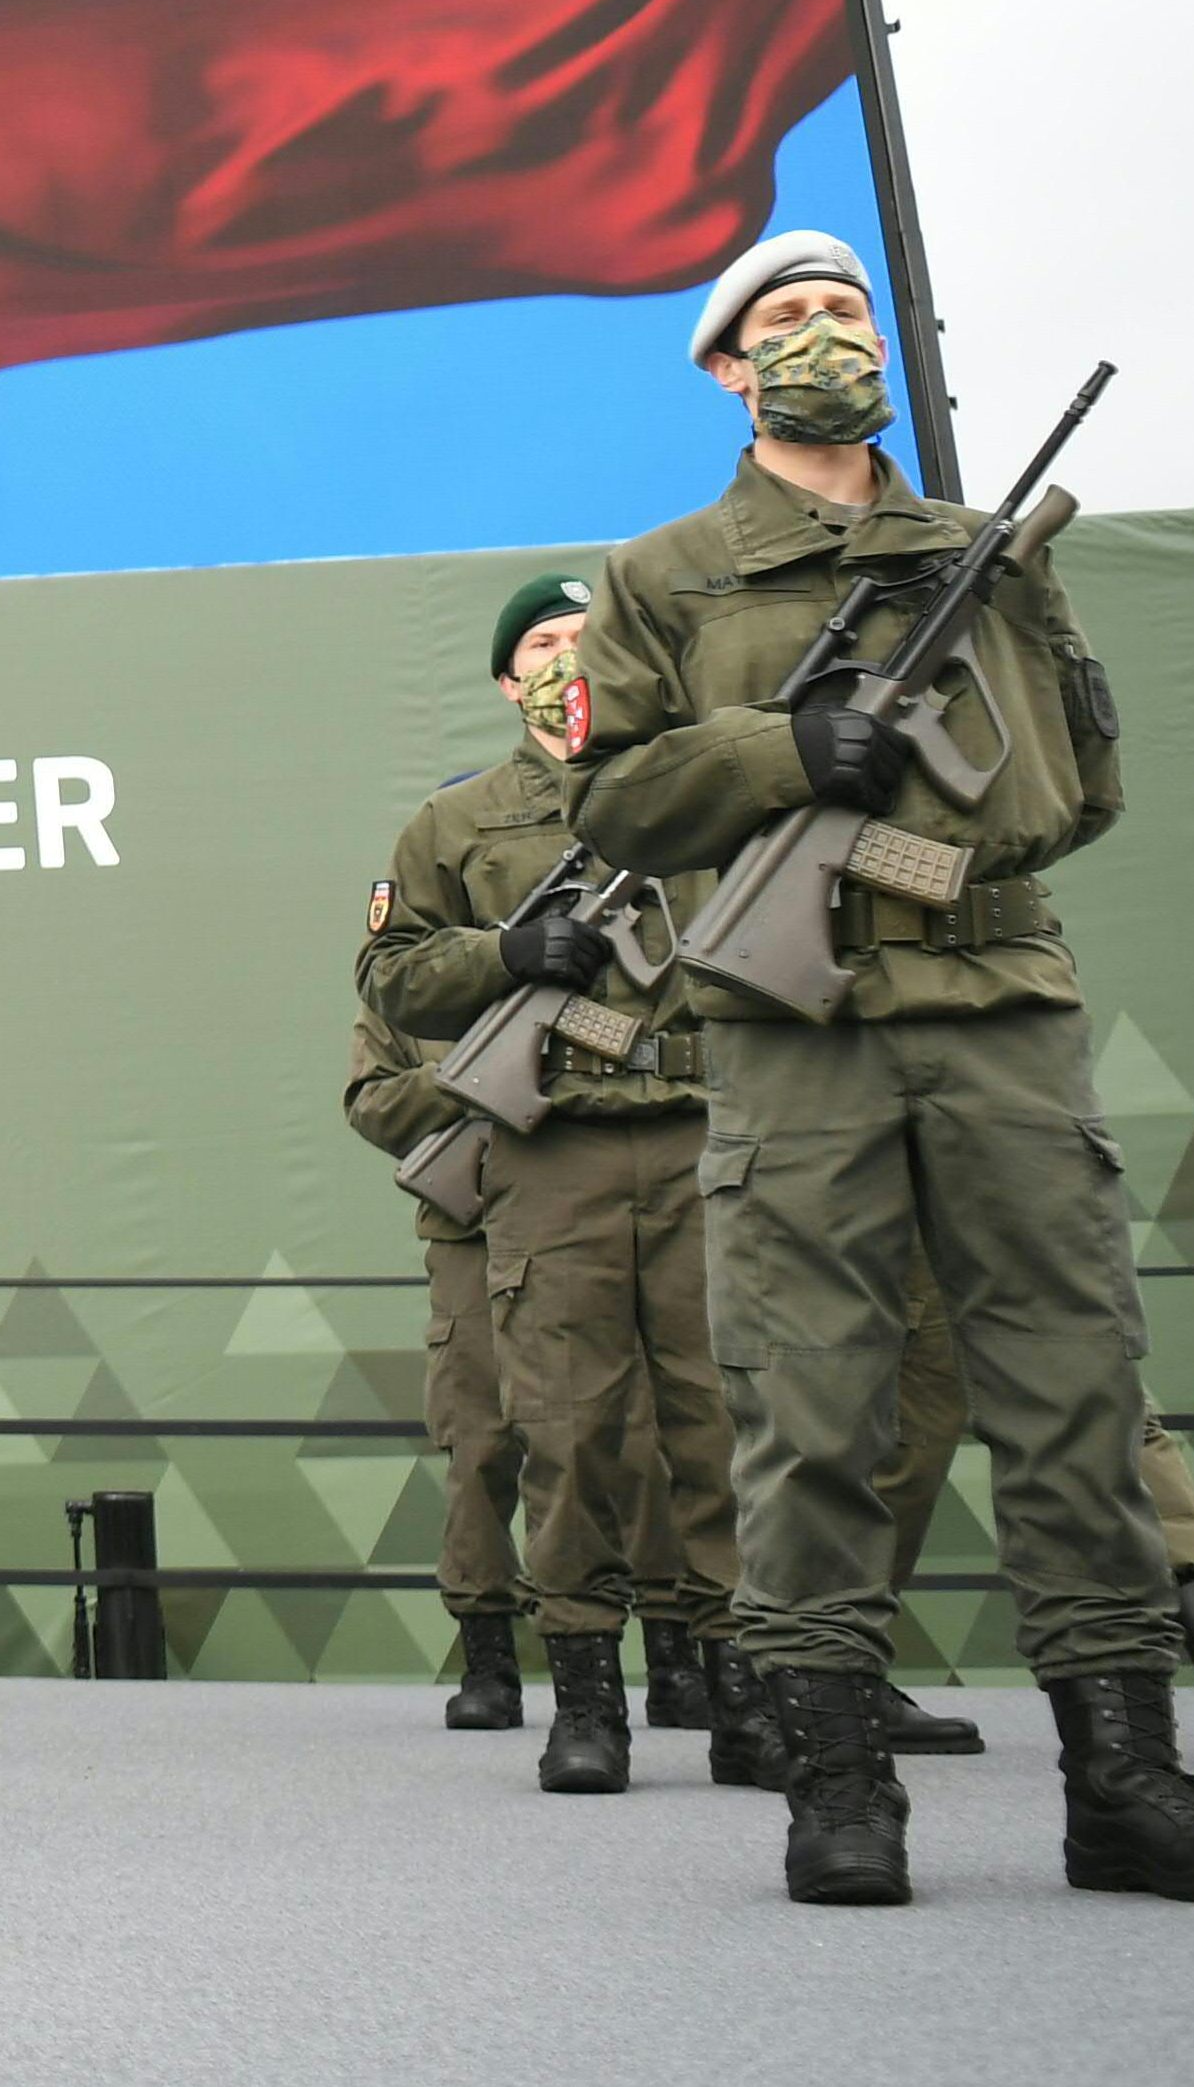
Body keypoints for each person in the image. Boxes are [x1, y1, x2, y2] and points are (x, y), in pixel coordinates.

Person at [570, 232, 1194, 1906]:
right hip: (791, 1029)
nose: (824, 333)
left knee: (1072, 1389)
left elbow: (1079, 782)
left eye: (844, 310)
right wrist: (782, 748)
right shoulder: (664, 573)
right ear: (723, 370)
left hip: (995, 1002)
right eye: (785, 319)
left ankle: (1125, 1779)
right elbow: (605, 798)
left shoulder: (976, 550)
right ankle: (836, 1783)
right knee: (807, 1400)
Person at [362, 571, 774, 1797]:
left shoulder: (704, 785)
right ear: (504, 680)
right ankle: (584, 1696)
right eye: (539, 643)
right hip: (553, 1149)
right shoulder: (459, 824)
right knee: (568, 1430)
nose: (565, 656)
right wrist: (506, 954)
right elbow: (390, 980)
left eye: (586, 636)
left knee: (718, 1424)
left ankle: (741, 1684)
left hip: (709, 1134)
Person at [871, 1254, 1194, 1763]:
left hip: (1019, 1221)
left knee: (1113, 1415)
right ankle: (821, 1675)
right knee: (894, 1453)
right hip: (901, 1227)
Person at [345, 1008, 533, 1729]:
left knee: (630, 1437)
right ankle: (488, 1657)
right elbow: (373, 1101)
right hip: (473, 1229)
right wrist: (472, 1071)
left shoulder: (603, 932)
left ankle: (675, 1653)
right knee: (479, 1441)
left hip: (600, 1218)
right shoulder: (416, 981)